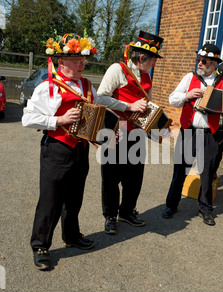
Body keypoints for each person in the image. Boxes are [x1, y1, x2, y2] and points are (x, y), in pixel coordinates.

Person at [22, 33, 98, 270]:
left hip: (80, 148)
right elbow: (28, 118)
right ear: (60, 62)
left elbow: (96, 113)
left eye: (83, 61)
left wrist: (106, 132)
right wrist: (59, 119)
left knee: (74, 196)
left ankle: (72, 236)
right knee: (50, 199)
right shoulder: (48, 87)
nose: (82, 65)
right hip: (57, 148)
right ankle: (41, 245)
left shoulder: (87, 85)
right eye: (76, 61)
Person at [97, 30, 164, 235]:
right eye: (153, 60)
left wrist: (160, 124)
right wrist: (128, 106)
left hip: (137, 134)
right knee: (110, 178)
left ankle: (126, 212)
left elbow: (147, 105)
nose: (154, 64)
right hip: (115, 133)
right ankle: (110, 216)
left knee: (134, 178)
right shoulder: (116, 69)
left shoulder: (146, 75)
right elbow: (100, 98)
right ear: (142, 57)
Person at [163, 43, 223, 226]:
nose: (200, 64)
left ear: (214, 64)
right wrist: (188, 95)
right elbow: (173, 99)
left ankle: (206, 209)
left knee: (207, 173)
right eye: (199, 60)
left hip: (210, 134)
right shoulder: (189, 77)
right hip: (189, 131)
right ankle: (171, 205)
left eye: (204, 61)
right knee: (180, 170)